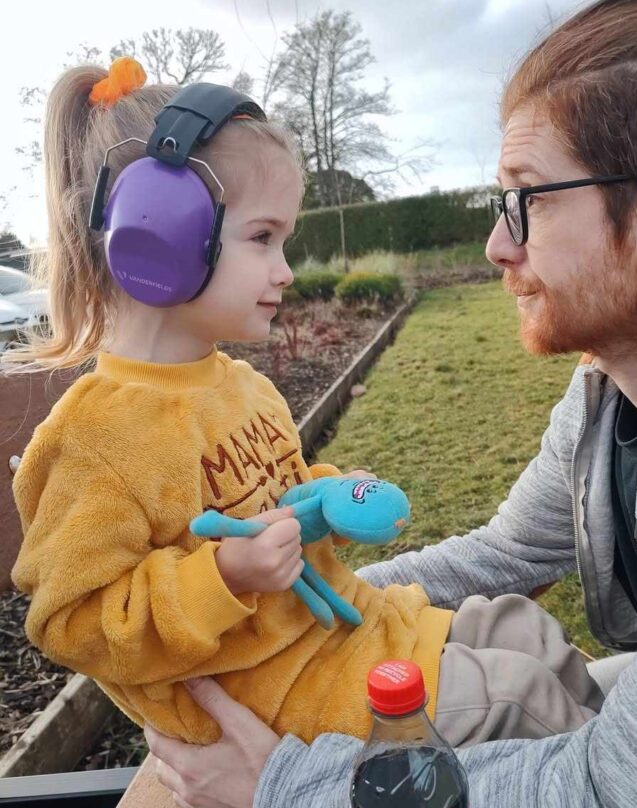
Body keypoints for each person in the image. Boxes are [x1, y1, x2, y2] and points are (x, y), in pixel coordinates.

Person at [145, 0, 637, 808]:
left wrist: (280, 795)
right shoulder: (615, 389)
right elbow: (506, 552)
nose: (496, 245)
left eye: (525, 199)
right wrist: (289, 626)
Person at [8, 60, 601, 761]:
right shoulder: (96, 436)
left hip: (335, 634)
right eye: (263, 238)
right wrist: (222, 577)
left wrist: (324, 497)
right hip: (272, 690)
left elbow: (275, 499)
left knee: (522, 630)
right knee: (517, 696)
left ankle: (629, 797)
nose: (285, 269)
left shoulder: (242, 387)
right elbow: (72, 623)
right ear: (160, 234)